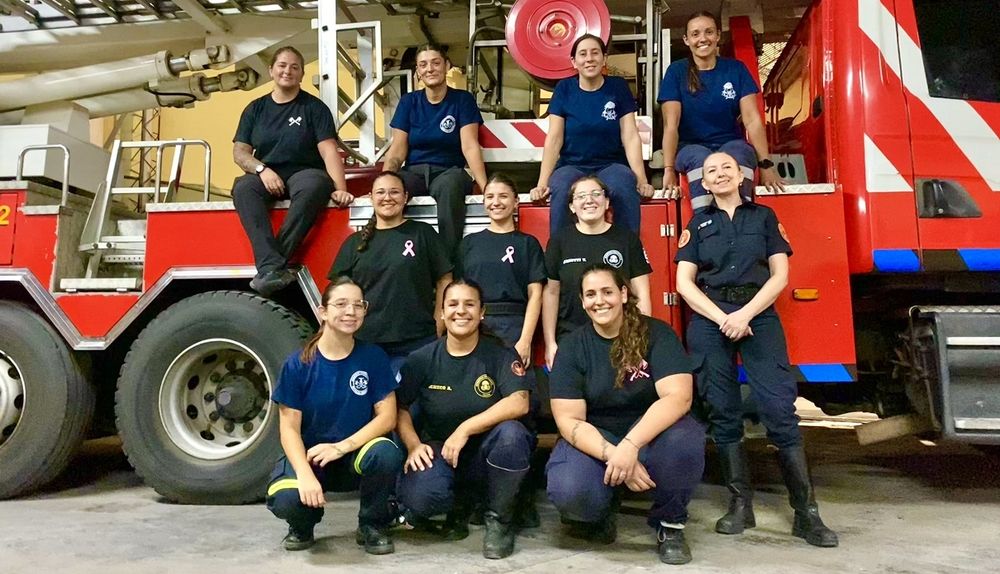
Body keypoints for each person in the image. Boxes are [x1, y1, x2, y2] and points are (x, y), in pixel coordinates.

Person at [674, 151, 837, 547]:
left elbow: (781, 274)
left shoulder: (763, 218)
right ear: (705, 184)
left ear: (740, 175)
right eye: (711, 171)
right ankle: (739, 505)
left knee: (780, 409)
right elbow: (684, 282)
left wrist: (744, 314)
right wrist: (722, 318)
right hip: (712, 318)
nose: (720, 174)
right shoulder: (698, 224)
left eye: (726, 167)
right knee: (723, 410)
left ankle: (806, 514)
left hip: (758, 313)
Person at [545, 264, 706, 565]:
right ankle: (599, 513)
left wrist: (631, 446)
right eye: (590, 294)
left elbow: (679, 397)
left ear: (622, 294)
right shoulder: (572, 347)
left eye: (607, 291)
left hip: (651, 436)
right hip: (598, 439)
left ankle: (670, 524)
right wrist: (615, 455)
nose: (599, 300)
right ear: (582, 301)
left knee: (685, 441)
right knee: (570, 489)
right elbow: (569, 420)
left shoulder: (657, 334)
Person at [396, 279, 534, 559]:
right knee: (422, 499)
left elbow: (520, 402)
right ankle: (459, 504)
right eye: (453, 305)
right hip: (441, 451)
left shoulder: (500, 354)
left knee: (512, 434)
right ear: (442, 313)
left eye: (470, 304)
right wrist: (412, 445)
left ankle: (500, 520)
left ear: (482, 312)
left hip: (487, 456)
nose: (461, 311)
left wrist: (465, 429)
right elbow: (398, 408)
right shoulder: (421, 359)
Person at [266, 276, 404, 554]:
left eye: (357, 305)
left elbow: (387, 418)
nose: (350, 312)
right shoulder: (298, 364)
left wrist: (342, 447)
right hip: (312, 458)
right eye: (341, 304)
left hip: (352, 455)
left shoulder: (373, 358)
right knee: (286, 499)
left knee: (386, 452)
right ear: (323, 312)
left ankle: (371, 525)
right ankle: (303, 525)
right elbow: (289, 430)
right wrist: (304, 474)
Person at [232, 46, 353, 296]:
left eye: (294, 67)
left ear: (301, 74)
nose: (288, 71)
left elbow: (329, 151)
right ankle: (272, 267)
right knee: (242, 187)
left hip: (305, 172)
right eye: (282, 65)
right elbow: (240, 153)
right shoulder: (255, 109)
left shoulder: (314, 108)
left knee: (315, 185)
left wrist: (341, 190)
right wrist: (262, 169)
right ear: (271, 71)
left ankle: (271, 267)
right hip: (267, 173)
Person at [658, 11, 785, 211]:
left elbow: (752, 120)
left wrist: (766, 166)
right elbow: (670, 125)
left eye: (709, 32)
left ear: (718, 35)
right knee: (702, 159)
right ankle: (706, 220)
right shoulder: (676, 72)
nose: (703, 39)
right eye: (695, 34)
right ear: (686, 39)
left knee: (740, 154)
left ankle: (741, 218)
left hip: (730, 143)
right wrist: (668, 169)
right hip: (690, 147)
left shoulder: (736, 69)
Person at [529, 33, 654, 235]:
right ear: (574, 61)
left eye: (595, 53)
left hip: (611, 164)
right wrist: (542, 183)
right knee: (560, 189)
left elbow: (630, 135)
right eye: (583, 54)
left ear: (604, 59)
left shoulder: (618, 87)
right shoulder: (564, 89)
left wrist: (641, 179)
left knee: (623, 185)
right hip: (572, 165)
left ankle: (628, 253)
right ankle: (560, 255)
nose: (589, 59)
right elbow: (554, 139)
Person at [329, 171, 453, 374]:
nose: (387, 197)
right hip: (365, 342)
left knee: (410, 404)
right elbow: (337, 293)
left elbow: (445, 279)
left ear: (405, 197)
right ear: (371, 197)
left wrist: (440, 322)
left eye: (394, 192)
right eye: (381, 192)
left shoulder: (423, 233)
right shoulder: (355, 243)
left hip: (416, 341)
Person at [382, 43, 488, 260]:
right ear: (418, 72)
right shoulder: (408, 102)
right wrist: (384, 182)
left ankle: (448, 263)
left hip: (449, 171)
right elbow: (397, 150)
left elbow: (469, 146)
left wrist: (486, 187)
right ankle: (392, 257)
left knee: (450, 186)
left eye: (435, 62)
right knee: (393, 192)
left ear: (447, 66)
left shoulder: (462, 100)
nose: (429, 69)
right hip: (414, 173)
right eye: (423, 65)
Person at [542, 175, 652, 370]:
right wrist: (550, 343)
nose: (589, 200)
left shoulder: (627, 240)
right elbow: (551, 293)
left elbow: (642, 292)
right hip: (571, 337)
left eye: (596, 194)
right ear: (571, 206)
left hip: (621, 338)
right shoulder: (559, 241)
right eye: (581, 196)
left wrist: (637, 340)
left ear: (607, 201)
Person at [455, 174, 545, 364]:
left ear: (516, 201)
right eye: (490, 197)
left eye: (503, 196)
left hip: (513, 326)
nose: (496, 202)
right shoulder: (469, 243)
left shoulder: (528, 244)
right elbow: (458, 291)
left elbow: (536, 294)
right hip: (474, 323)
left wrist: (525, 340)